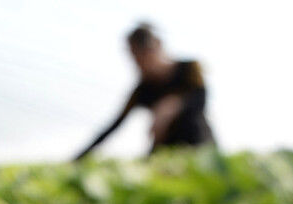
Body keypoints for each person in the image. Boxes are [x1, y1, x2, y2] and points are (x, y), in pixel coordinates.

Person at [75, 24, 214, 160]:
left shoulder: (189, 69)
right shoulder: (143, 89)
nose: (139, 64)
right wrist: (78, 158)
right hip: (165, 150)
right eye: (135, 58)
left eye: (143, 56)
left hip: (200, 145)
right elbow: (114, 126)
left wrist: (173, 107)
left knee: (190, 123)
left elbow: (201, 101)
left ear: (156, 47)